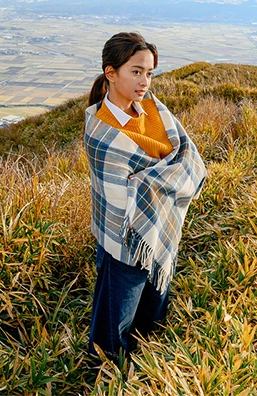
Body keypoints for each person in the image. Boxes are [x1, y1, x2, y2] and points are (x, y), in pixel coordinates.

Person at [83, 32, 207, 362]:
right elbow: (129, 185)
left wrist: (150, 179)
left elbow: (189, 157)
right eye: (136, 71)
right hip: (124, 236)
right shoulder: (101, 130)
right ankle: (104, 370)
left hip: (159, 230)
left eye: (149, 73)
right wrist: (163, 175)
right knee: (115, 320)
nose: (144, 82)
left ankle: (144, 363)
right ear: (111, 73)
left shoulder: (154, 110)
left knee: (152, 310)